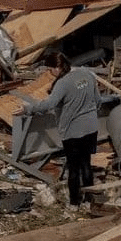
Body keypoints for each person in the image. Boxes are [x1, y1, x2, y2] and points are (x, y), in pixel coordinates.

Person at [24, 52, 101, 207]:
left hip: (73, 131)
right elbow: (98, 101)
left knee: (73, 168)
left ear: (57, 67)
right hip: (91, 127)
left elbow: (49, 104)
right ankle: (88, 200)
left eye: (50, 69)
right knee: (86, 164)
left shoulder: (63, 83)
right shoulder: (87, 74)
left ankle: (74, 203)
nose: (50, 73)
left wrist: (28, 109)